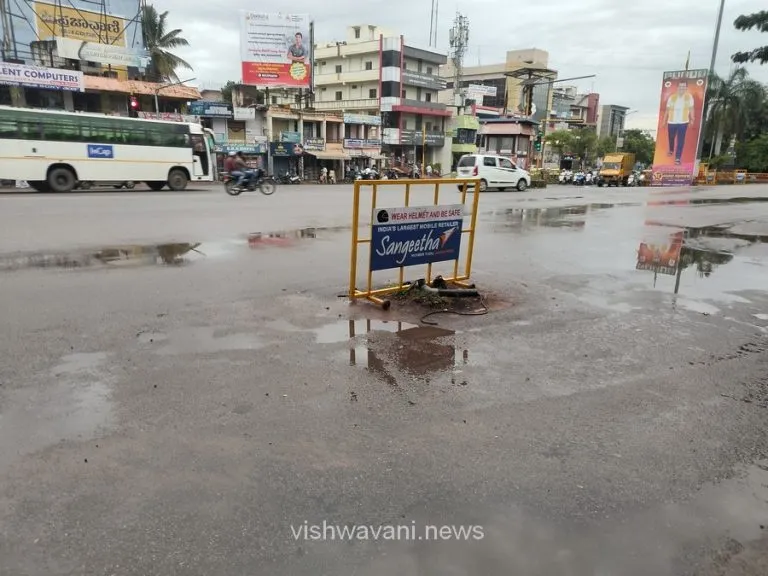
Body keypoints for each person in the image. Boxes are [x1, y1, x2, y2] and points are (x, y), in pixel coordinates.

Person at [663, 81, 695, 165]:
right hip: (671, 122)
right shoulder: (672, 97)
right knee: (671, 137)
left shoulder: (689, 97)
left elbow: (691, 108)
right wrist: (664, 121)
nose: (682, 88)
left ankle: (677, 158)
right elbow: (667, 110)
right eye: (680, 86)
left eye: (684, 86)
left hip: (683, 122)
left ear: (686, 88)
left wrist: (692, 119)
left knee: (681, 140)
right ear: (677, 87)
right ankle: (671, 150)